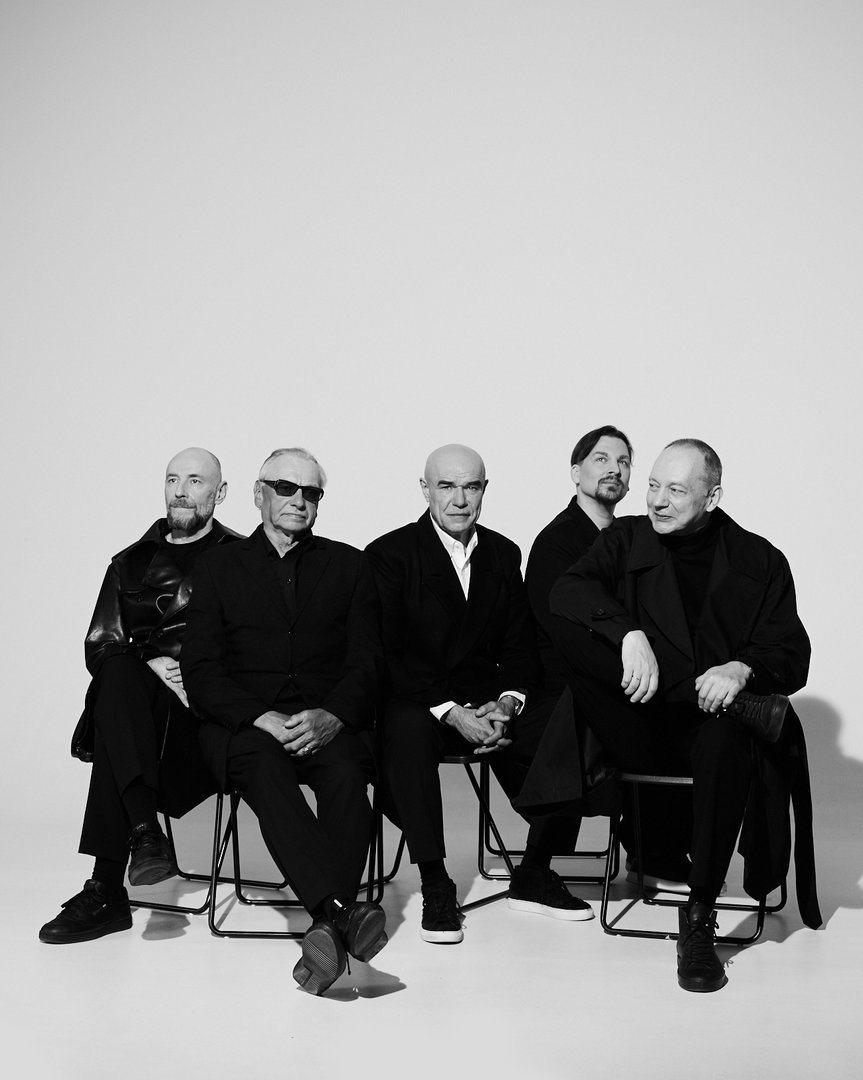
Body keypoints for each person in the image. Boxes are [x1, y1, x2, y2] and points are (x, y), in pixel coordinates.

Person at [549, 438, 821, 992]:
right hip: (636, 724)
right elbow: (567, 591)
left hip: (711, 733)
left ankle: (698, 920)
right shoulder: (626, 538)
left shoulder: (760, 559)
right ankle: (709, 700)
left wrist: (741, 669)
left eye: (675, 490)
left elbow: (793, 654)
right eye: (652, 485)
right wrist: (627, 633)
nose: (657, 500)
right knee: (574, 640)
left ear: (712, 497)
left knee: (725, 739)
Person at [366, 443, 592, 946]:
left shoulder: (503, 553)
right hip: (422, 702)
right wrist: (451, 713)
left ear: (485, 490)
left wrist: (508, 703)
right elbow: (387, 655)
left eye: (471, 486)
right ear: (425, 490)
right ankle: (435, 882)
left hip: (488, 704)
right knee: (404, 729)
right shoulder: (389, 555)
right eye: (446, 486)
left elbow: (520, 645)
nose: (459, 499)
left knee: (569, 716)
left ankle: (535, 871)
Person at [180, 447, 386, 996]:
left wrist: (333, 715)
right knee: (266, 773)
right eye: (286, 488)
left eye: (311, 492)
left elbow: (368, 661)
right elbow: (200, 669)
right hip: (246, 726)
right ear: (259, 494)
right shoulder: (218, 566)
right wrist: (258, 716)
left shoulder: (350, 565)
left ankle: (327, 927)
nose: (299, 500)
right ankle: (340, 914)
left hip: (327, 721)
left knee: (347, 777)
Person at [40, 447, 242, 945]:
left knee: (117, 723)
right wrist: (149, 662)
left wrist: (196, 675)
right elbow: (100, 644)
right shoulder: (128, 563)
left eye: (195, 481)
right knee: (119, 676)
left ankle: (108, 886)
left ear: (220, 493)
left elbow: (259, 647)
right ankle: (144, 836)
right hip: (143, 721)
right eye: (173, 479)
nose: (181, 491)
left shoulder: (242, 558)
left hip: (205, 726)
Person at [512, 425, 633, 896]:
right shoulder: (557, 541)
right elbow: (564, 632)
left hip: (617, 676)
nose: (614, 469)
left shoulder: (632, 538)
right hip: (559, 685)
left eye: (623, 462)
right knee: (582, 720)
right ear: (576, 472)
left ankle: (653, 849)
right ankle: (534, 869)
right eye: (602, 459)